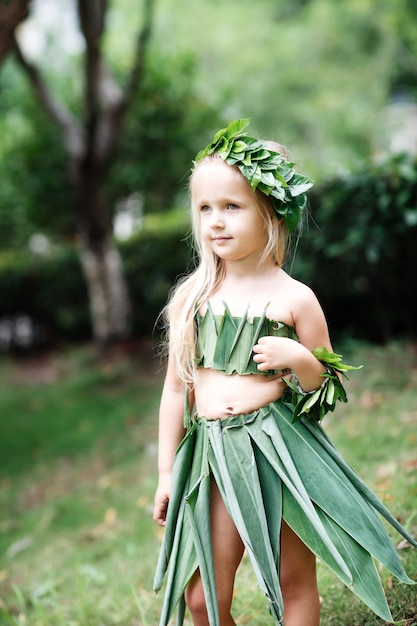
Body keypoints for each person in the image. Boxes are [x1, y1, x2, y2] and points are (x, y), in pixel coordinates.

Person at [152, 119, 416, 626]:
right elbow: (173, 393)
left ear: (270, 211)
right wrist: (167, 473)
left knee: (294, 583)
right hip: (212, 454)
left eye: (232, 206)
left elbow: (325, 386)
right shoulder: (192, 299)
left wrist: (298, 359)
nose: (216, 221)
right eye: (205, 208)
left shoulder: (295, 298)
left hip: (278, 451)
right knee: (203, 599)